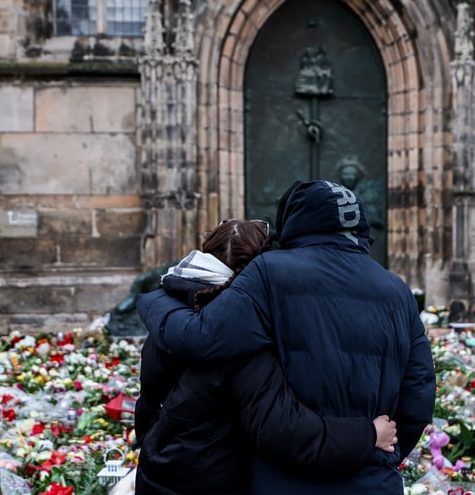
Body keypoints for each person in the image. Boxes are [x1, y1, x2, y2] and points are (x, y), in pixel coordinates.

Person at [138, 180, 436, 494]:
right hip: (373, 477)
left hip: (284, 478)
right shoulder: (397, 289)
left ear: (293, 222)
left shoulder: (270, 272)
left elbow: (200, 337)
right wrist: (382, 452)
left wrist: (156, 298)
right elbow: (419, 390)